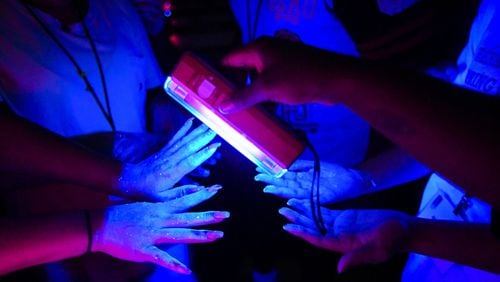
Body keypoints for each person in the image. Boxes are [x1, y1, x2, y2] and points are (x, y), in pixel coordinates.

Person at [218, 0, 500, 278]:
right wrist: (371, 185)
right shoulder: (490, 11)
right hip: (428, 256)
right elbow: (450, 134)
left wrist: (337, 80)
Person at [0, 0, 227, 278]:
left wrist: (171, 137)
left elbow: (152, 94)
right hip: (62, 237)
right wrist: (118, 152)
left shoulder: (119, 8)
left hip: (151, 219)